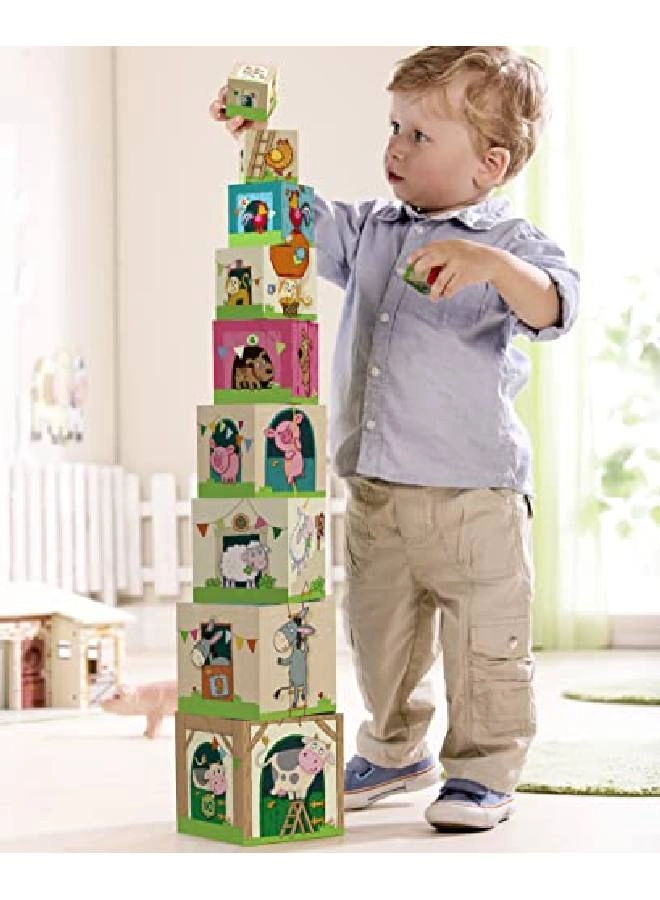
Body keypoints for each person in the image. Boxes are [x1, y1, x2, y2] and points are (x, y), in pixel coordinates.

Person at [210, 46, 579, 832]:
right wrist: (254, 136)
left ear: (490, 162)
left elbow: (553, 306)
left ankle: (482, 770)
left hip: (473, 492)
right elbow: (294, 212)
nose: (395, 148)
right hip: (376, 485)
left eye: (419, 135)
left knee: (485, 644)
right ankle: (394, 746)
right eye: (394, 127)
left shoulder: (513, 246)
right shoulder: (372, 231)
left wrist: (491, 265)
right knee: (380, 635)